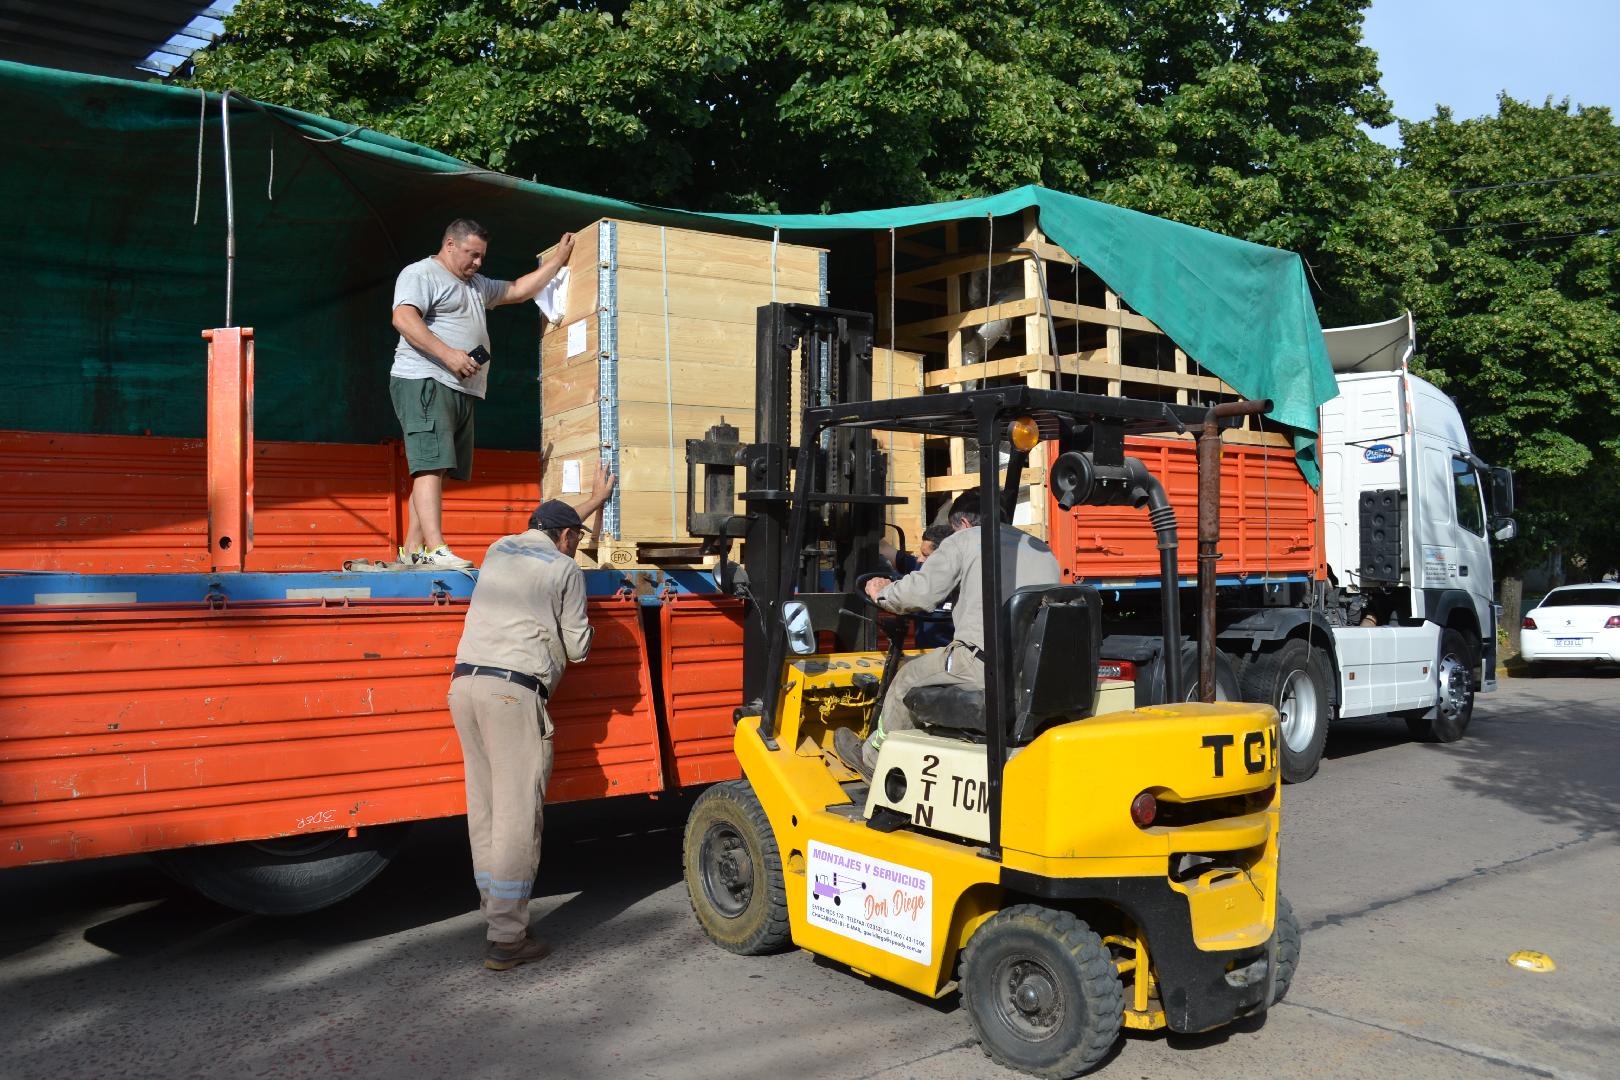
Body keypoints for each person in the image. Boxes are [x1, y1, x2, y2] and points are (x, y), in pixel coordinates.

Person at [448, 499, 595, 970]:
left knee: (486, 808)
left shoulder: (498, 549)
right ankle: (508, 938)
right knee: (517, 815)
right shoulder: (565, 569)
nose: (577, 547)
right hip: (512, 695)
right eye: (578, 539)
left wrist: (594, 500)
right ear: (567, 536)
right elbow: (578, 648)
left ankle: (497, 916)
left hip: (464, 687)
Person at [834, 492, 1059, 782]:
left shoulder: (965, 540)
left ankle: (874, 760)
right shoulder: (1041, 549)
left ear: (963, 524)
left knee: (906, 678)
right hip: (1033, 669)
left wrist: (882, 592)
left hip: (982, 665)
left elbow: (919, 594)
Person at [391, 219, 576, 568]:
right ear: (449, 244)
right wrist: (449, 355)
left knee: (437, 469)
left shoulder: (476, 285)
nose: (477, 263)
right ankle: (435, 549)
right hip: (426, 380)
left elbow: (517, 290)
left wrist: (557, 261)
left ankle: (414, 549)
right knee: (430, 465)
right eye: (471, 254)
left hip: (459, 386)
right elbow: (402, 318)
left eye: (481, 257)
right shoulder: (421, 274)